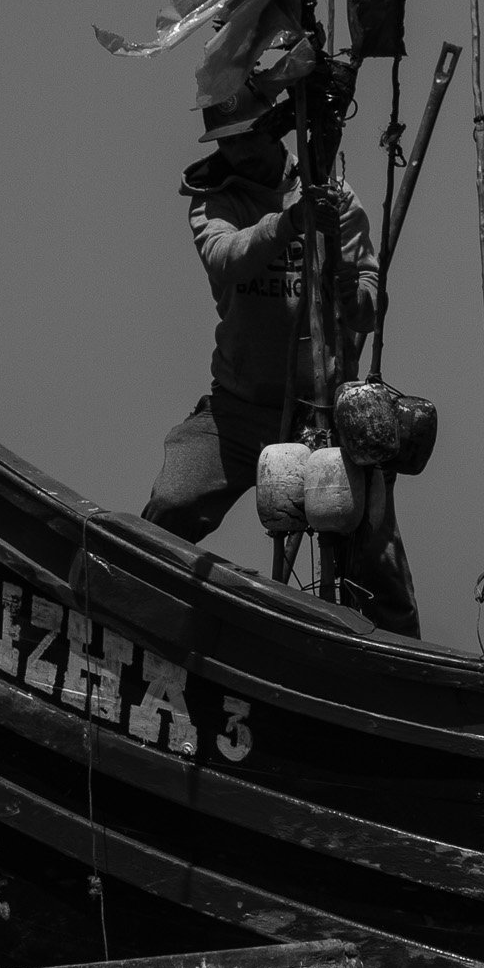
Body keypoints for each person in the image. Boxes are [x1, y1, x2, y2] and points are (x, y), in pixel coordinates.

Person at [143, 84, 419, 634]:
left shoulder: (334, 196)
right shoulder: (214, 196)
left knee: (377, 559)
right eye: (227, 140)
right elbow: (226, 259)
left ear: (272, 131)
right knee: (170, 507)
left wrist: (346, 288)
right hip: (242, 410)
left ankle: (403, 663)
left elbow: (367, 308)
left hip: (326, 414)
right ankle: (137, 615)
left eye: (244, 137)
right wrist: (289, 223)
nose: (235, 151)